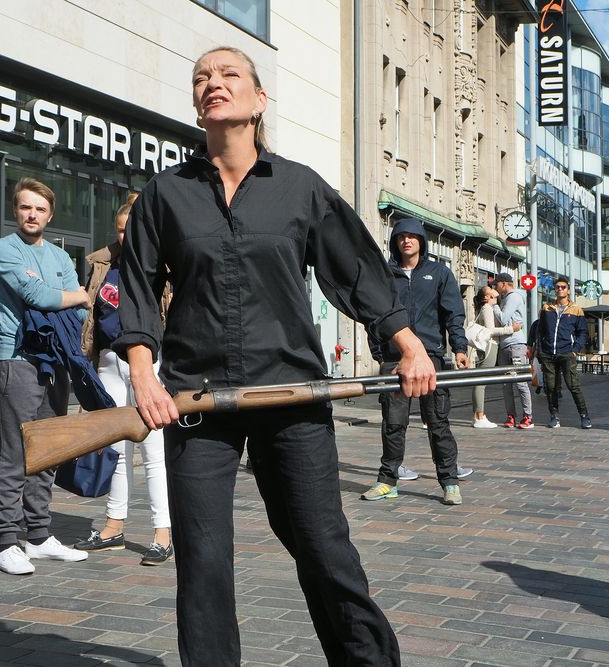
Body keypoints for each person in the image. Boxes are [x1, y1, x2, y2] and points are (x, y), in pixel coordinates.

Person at [114, 46, 436, 666]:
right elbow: (136, 288)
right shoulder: (165, 195)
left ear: (260, 101)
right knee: (203, 563)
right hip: (196, 401)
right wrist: (142, 376)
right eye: (202, 77)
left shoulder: (300, 188)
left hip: (293, 395)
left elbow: (358, 273)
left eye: (229, 73)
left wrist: (408, 344)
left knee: (323, 548)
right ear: (195, 103)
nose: (214, 82)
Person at [0, 177, 92, 575]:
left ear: (50, 215)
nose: (32, 214)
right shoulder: (4, 250)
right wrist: (72, 295)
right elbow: (42, 298)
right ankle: (7, 542)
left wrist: (68, 299)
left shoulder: (60, 257)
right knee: (14, 452)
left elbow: (75, 312)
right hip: (16, 360)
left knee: (47, 451)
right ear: (16, 210)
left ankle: (39, 536)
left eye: (40, 209)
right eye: (25, 207)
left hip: (56, 360)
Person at [74, 193, 172, 566]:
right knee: (115, 449)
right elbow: (92, 316)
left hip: (150, 365)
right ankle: (114, 526)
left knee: (154, 452)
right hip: (109, 362)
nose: (125, 237)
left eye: (132, 231)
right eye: (119, 230)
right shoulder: (102, 264)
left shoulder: (159, 269)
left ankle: (163, 533)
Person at [361, 219, 469, 506]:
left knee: (438, 423)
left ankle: (449, 482)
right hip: (394, 360)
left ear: (422, 241)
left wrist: (459, 348)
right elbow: (372, 314)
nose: (407, 241)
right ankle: (387, 481)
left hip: (430, 358)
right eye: (401, 237)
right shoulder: (385, 274)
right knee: (393, 424)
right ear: (395, 241)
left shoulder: (439, 273)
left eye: (412, 236)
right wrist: (380, 353)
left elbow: (453, 314)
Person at [533, 277, 591, 429]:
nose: (560, 289)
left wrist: (575, 349)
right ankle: (554, 416)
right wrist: (539, 348)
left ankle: (584, 416)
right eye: (557, 287)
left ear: (568, 290)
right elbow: (541, 330)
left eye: (563, 287)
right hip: (548, 353)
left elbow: (583, 332)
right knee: (550, 387)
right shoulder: (546, 308)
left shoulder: (576, 310)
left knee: (573, 386)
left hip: (566, 353)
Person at [470, 285, 520, 428]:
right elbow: (491, 330)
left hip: (489, 346)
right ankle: (480, 416)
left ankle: (478, 415)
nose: (492, 288)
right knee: (481, 380)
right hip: (489, 345)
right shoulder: (487, 308)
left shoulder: (490, 307)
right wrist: (511, 329)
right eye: (489, 288)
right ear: (486, 297)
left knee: (481, 379)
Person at [493, 272, 534, 428]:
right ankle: (510, 416)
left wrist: (494, 305)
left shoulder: (514, 297)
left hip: (516, 344)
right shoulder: (505, 298)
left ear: (504, 284)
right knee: (506, 384)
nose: (495, 287)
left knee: (520, 381)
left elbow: (503, 318)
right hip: (504, 344)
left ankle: (527, 416)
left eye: (496, 284)